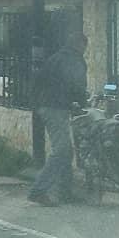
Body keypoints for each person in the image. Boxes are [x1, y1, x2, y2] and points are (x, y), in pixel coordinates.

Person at [28, 31, 88, 206]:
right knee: (62, 150)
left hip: (47, 106)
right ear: (80, 45)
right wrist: (81, 103)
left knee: (67, 151)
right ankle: (38, 191)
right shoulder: (74, 60)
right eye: (84, 46)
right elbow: (76, 85)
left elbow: (38, 79)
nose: (84, 50)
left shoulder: (56, 57)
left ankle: (65, 192)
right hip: (56, 108)